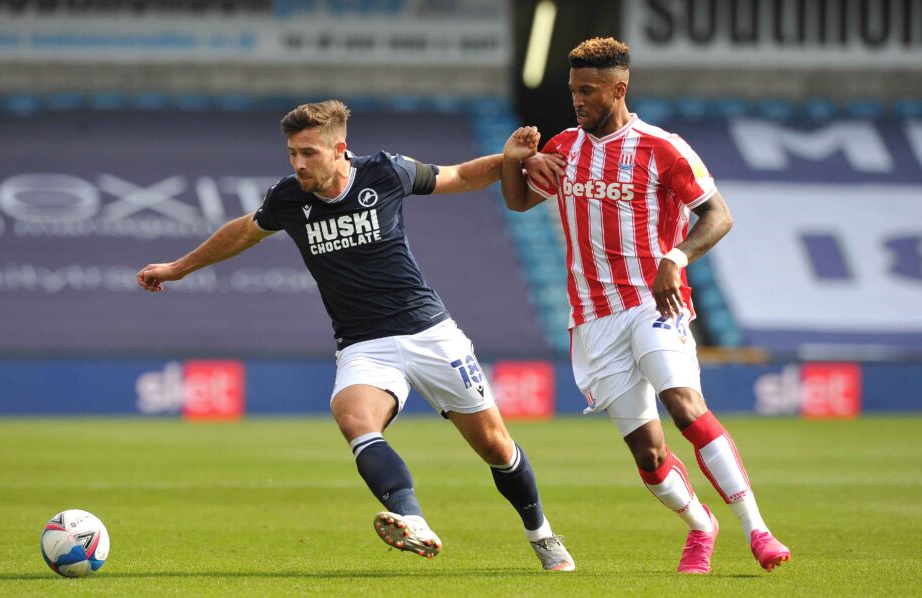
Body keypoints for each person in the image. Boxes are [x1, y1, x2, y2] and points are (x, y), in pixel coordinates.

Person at [137, 100, 575, 571]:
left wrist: (510, 159)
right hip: (364, 343)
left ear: (338, 149)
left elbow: (460, 175)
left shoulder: (385, 172)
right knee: (353, 419)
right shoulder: (288, 198)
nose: (299, 163)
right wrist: (178, 268)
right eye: (292, 153)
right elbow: (243, 231)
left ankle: (542, 534)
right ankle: (413, 521)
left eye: (308, 153)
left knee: (495, 447)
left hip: (429, 332)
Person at [500, 38, 791, 574]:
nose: (577, 100)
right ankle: (702, 526)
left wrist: (675, 258)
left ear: (619, 89)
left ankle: (759, 531)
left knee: (684, 406)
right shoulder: (564, 147)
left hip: (652, 302)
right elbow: (519, 202)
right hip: (594, 316)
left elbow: (718, 215)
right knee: (650, 456)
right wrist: (514, 161)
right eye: (573, 90)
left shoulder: (662, 148)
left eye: (588, 91)